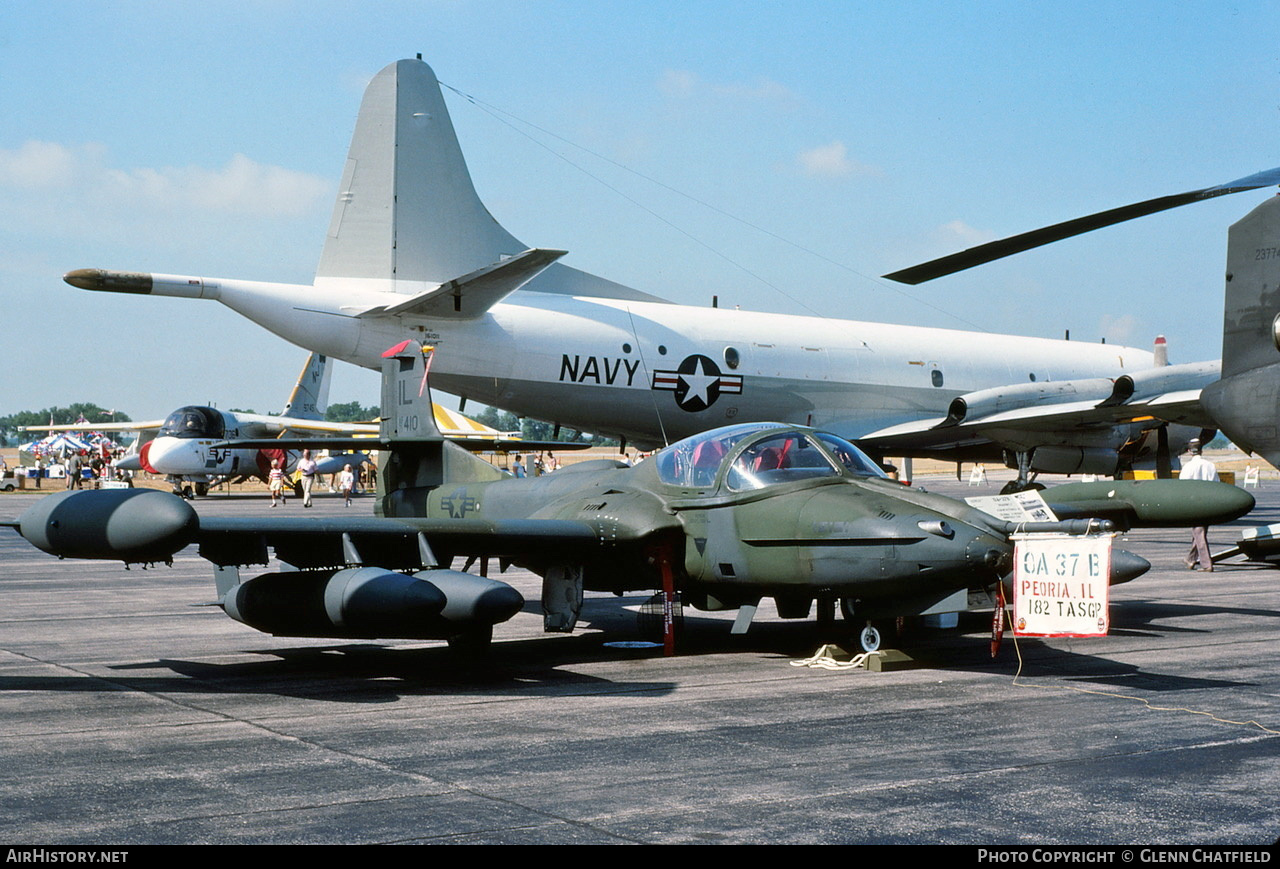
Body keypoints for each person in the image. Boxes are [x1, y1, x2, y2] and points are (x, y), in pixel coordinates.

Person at [1180, 438, 1219, 572]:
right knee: (1199, 532)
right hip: (1208, 501)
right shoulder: (1210, 465)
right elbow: (1216, 484)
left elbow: (1183, 487)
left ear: (1189, 451)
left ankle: (1207, 564)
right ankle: (1190, 559)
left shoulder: (1188, 467)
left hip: (1194, 502)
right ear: (1201, 450)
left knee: (1199, 533)